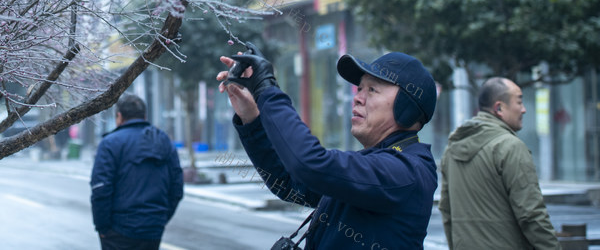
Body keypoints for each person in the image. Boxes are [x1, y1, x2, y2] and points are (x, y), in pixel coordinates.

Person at [218, 45, 438, 249]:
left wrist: (267, 90)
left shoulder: (406, 171)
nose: (357, 98)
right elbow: (290, 183)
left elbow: (310, 164)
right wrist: (252, 116)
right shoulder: (377, 161)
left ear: (406, 107)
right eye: (359, 88)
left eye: (372, 90)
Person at [439, 77, 560, 250]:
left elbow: (446, 210)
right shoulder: (510, 147)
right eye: (519, 101)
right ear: (499, 108)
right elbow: (531, 215)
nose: (524, 110)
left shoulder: (451, 149)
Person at [90, 93, 184, 250]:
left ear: (119, 116)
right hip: (153, 228)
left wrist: (102, 228)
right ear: (145, 115)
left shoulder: (110, 143)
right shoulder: (163, 140)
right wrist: (160, 219)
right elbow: (177, 187)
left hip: (118, 230)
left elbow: (101, 189)